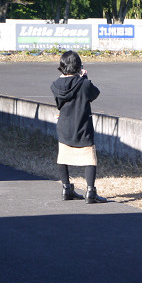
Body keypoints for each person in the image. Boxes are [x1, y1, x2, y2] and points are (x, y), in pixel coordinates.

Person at [50, 50, 107, 204]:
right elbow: (94, 94)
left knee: (63, 156)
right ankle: (90, 192)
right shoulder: (84, 84)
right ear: (78, 66)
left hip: (64, 125)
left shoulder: (55, 85)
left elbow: (59, 104)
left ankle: (66, 188)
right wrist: (84, 78)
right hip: (82, 125)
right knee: (89, 158)